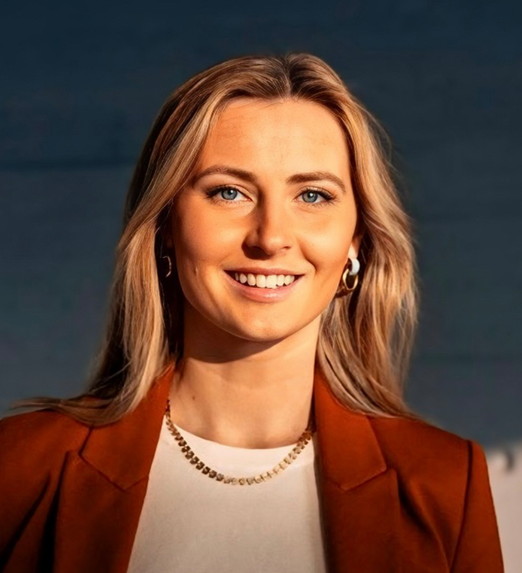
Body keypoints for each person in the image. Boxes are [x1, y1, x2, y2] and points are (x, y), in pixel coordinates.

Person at [0, 54, 503, 573]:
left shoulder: (444, 484)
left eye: (313, 195)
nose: (271, 237)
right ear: (166, 225)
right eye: (229, 192)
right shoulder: (18, 468)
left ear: (357, 239)